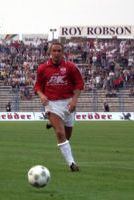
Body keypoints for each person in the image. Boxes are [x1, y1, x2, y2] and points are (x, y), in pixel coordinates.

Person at [34, 42, 84, 172]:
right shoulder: (42, 68)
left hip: (68, 103)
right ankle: (72, 163)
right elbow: (37, 86)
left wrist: (74, 100)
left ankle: (52, 122)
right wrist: (41, 95)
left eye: (59, 51)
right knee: (60, 133)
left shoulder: (71, 67)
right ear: (50, 52)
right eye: (54, 51)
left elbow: (79, 84)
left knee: (67, 137)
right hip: (52, 104)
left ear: (63, 52)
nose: (56, 53)